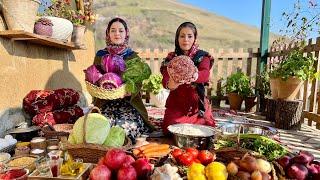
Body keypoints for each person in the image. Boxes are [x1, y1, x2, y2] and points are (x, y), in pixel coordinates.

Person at [92, 17, 154, 142]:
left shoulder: (132, 56)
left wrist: (130, 91)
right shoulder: (100, 55)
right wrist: (101, 88)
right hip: (105, 102)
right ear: (108, 34)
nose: (117, 34)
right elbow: (93, 77)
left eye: (120, 30)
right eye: (113, 30)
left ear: (126, 33)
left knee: (126, 131)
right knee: (101, 129)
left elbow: (137, 82)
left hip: (128, 103)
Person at [160, 22, 216, 134]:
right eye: (182, 36)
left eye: (190, 36)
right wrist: (173, 83)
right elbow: (165, 81)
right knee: (168, 129)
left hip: (197, 107)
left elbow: (205, 74)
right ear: (177, 39)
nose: (186, 39)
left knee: (206, 129)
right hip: (176, 104)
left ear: (195, 38)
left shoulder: (202, 56)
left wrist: (194, 75)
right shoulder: (171, 59)